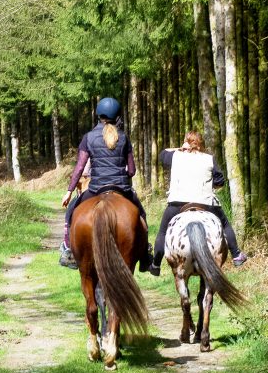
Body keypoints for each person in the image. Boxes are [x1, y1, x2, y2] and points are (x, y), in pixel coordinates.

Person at [59, 98, 152, 271]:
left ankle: (68, 250)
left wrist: (69, 191)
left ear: (98, 115)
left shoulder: (89, 137)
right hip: (122, 188)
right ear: (118, 116)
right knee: (141, 215)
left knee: (71, 212)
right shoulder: (123, 137)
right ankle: (145, 253)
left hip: (95, 188)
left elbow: (79, 167)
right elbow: (132, 170)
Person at [147, 131, 247, 276]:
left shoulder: (175, 156)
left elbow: (162, 154)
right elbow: (220, 182)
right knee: (225, 225)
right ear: (201, 144)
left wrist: (180, 148)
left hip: (177, 203)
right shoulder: (209, 158)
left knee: (163, 231)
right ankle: (236, 255)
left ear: (186, 142)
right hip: (205, 203)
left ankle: (156, 264)